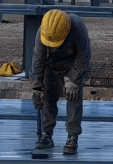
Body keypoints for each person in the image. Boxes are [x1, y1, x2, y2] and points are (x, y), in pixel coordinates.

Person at [30, 9, 91, 155]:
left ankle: (72, 136)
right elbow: (38, 59)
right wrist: (37, 86)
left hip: (73, 65)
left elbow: (84, 56)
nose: (54, 46)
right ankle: (46, 134)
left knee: (73, 98)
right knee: (47, 98)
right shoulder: (44, 31)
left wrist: (72, 79)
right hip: (52, 65)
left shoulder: (77, 27)